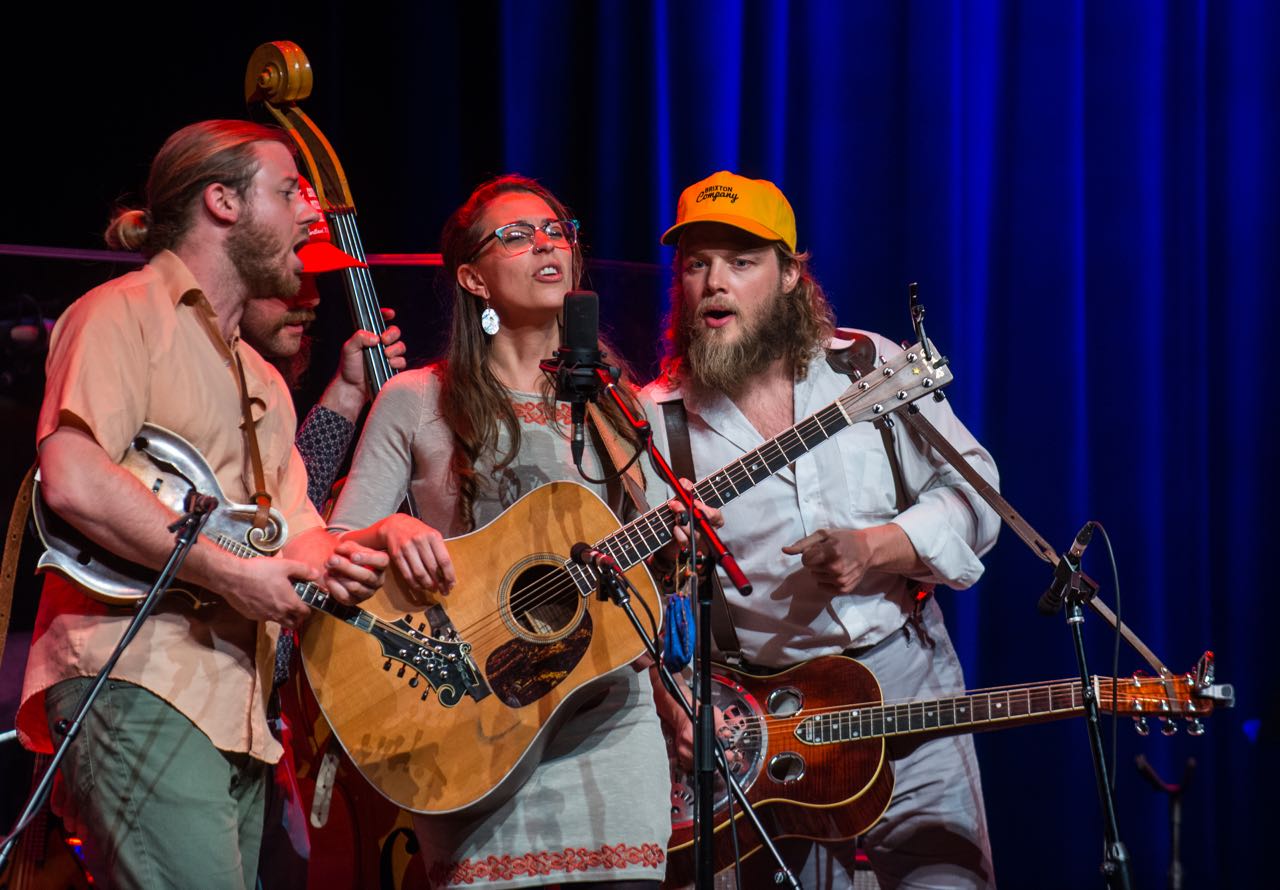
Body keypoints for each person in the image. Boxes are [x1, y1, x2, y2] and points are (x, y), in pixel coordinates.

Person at [14, 120, 389, 890]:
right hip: (135, 675)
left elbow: (300, 536)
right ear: (222, 202)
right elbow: (74, 479)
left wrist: (386, 542)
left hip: (235, 706)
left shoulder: (264, 378)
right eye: (288, 192)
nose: (309, 215)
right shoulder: (119, 314)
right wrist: (229, 574)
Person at [642, 171, 1001, 889]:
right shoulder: (653, 420)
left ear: (789, 277)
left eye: (741, 262)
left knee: (949, 877)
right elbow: (644, 602)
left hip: (906, 680)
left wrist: (875, 548)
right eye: (696, 264)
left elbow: (976, 499)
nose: (715, 282)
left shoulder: (867, 364)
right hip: (774, 719)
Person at [327, 174, 673, 889]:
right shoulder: (416, 399)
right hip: (466, 711)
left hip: (610, 717)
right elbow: (333, 549)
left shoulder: (622, 408)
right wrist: (392, 529)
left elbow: (655, 565)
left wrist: (682, 541)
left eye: (556, 230)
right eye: (515, 235)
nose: (546, 243)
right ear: (472, 278)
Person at [237, 174, 407, 888]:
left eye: (312, 291)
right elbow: (275, 517)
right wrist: (349, 394)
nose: (307, 302)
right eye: (288, 286)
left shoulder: (273, 385)